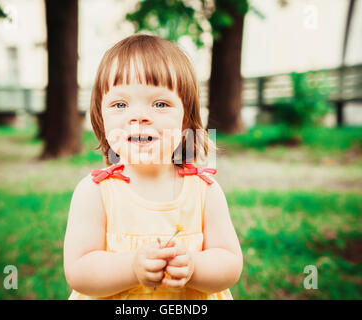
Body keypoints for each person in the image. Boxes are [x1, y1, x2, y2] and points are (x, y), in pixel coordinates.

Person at [63, 34, 243, 300]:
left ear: (186, 120)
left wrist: (195, 266)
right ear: (101, 119)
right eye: (120, 104)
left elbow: (230, 264)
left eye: (160, 104)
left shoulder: (205, 191)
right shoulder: (94, 193)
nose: (139, 116)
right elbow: (79, 271)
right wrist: (131, 267)